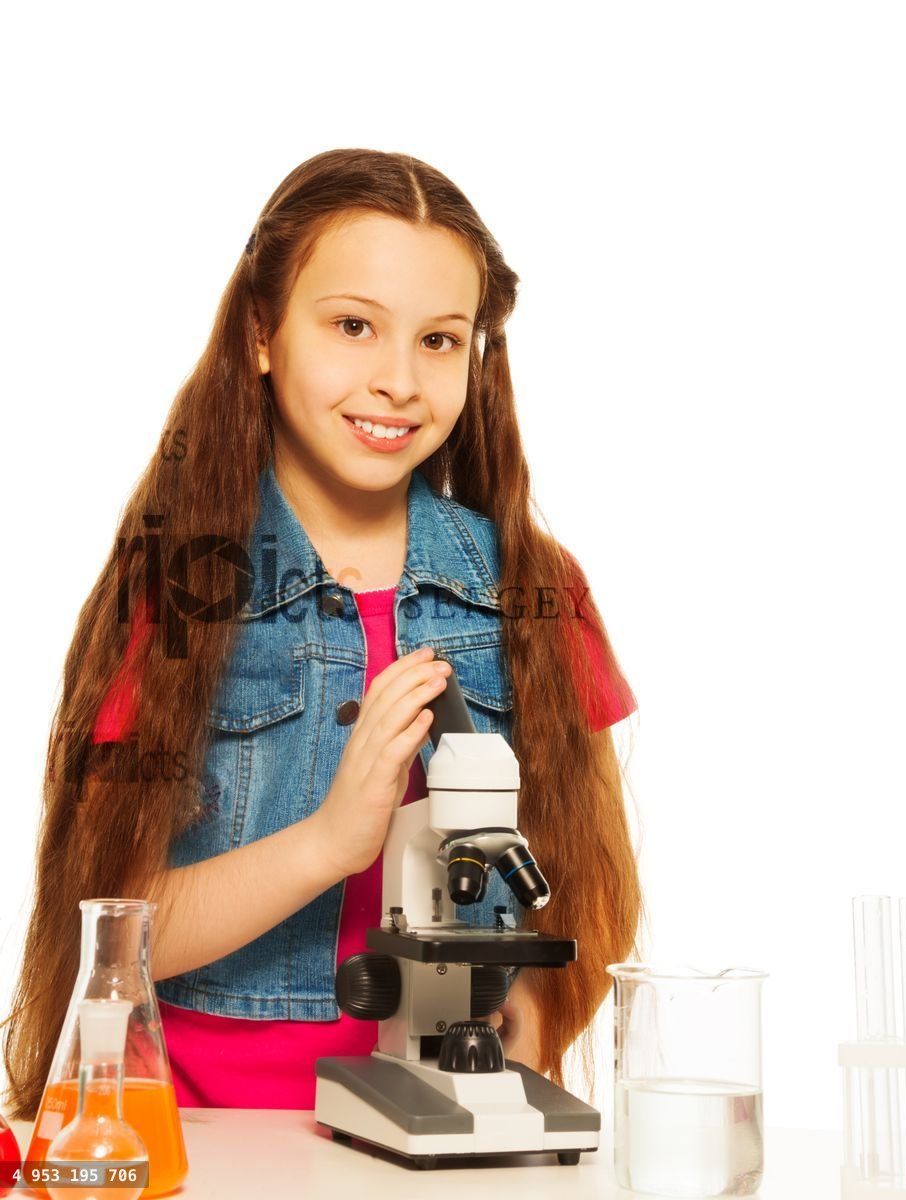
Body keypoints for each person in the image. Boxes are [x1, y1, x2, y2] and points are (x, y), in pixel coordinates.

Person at [2, 148, 643, 1117]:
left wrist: (540, 1011)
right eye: (353, 326)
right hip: (201, 1126)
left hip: (438, 1110)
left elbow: (594, 875)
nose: (397, 380)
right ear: (262, 332)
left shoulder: (538, 588)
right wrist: (331, 841)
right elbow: (108, 931)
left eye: (438, 340)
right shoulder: (176, 592)